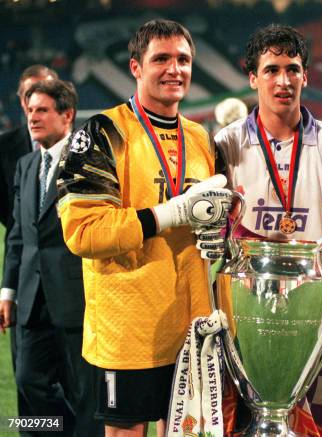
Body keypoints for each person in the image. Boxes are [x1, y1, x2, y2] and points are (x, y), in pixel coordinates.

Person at [57, 19, 231, 437]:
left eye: (184, 60)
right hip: (128, 329)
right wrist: (168, 214)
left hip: (191, 325)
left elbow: (214, 222)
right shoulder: (102, 133)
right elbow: (84, 231)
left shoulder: (202, 139)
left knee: (189, 430)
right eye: (162, 59)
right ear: (136, 67)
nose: (175, 69)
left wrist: (219, 226)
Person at [212, 23, 322, 437]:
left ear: (305, 76)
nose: (283, 80)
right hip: (247, 317)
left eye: (292, 69)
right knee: (244, 425)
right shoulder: (225, 145)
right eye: (272, 69)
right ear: (253, 77)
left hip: (318, 316)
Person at [1, 79, 103, 436]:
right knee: (30, 381)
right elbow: (17, 236)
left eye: (42, 110)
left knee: (85, 391)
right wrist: (7, 292)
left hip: (77, 297)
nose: (32, 118)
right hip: (31, 297)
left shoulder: (89, 162)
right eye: (29, 110)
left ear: (67, 115)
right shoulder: (27, 165)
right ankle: (66, 430)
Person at [0, 64, 58, 435]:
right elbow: (15, 229)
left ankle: (62, 429)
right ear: (21, 100)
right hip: (25, 278)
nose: (34, 105)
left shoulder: (79, 146)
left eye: (43, 94)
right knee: (28, 381)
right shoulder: (7, 149)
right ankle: (36, 432)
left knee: (72, 380)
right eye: (28, 96)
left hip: (68, 286)